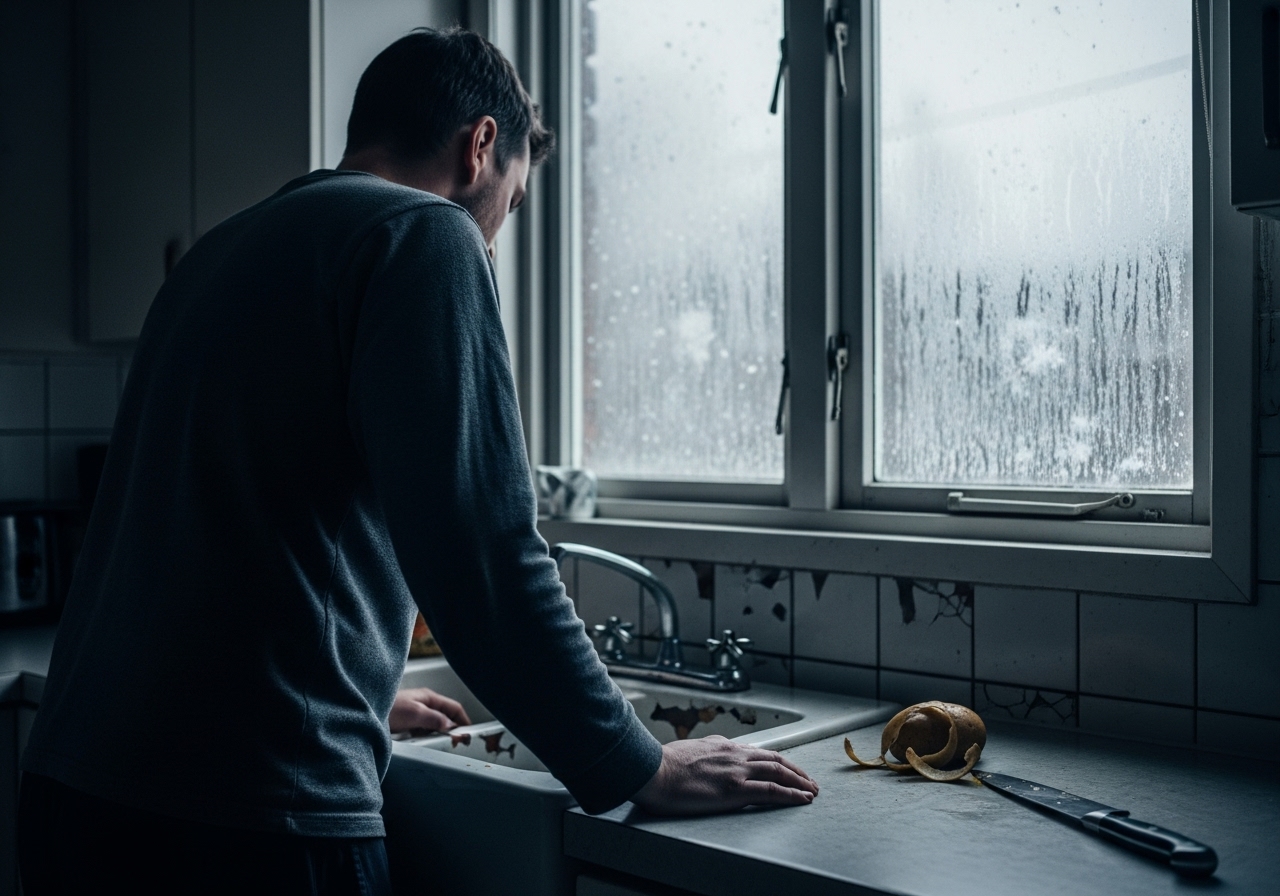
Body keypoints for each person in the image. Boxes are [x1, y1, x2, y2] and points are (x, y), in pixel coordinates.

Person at [17, 27, 818, 895]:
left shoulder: (218, 253)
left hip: (77, 793)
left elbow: (208, 542)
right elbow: (484, 561)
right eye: (508, 207)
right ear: (480, 145)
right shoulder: (423, 234)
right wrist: (638, 766)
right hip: (248, 822)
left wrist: (352, 690)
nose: (495, 239)